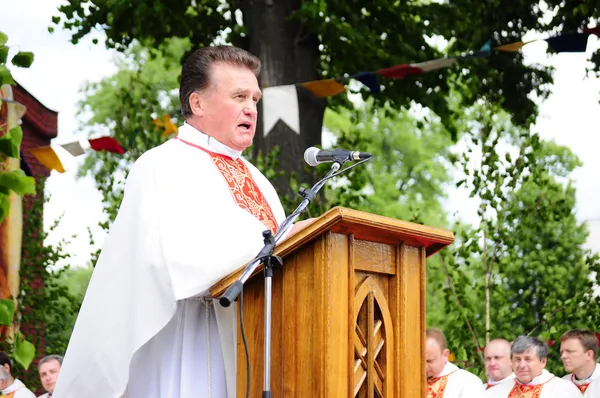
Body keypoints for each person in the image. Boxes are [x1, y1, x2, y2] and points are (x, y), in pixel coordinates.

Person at [53, 45, 311, 398]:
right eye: (238, 96)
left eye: (254, 98)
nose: (251, 107)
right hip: (187, 342)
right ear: (197, 103)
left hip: (250, 345)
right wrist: (265, 247)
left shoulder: (259, 180)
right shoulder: (162, 165)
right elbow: (170, 260)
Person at [483, 336, 581, 397]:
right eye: (517, 359)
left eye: (528, 359)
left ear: (543, 362)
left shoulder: (564, 390)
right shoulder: (495, 392)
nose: (521, 365)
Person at [425, 328, 484, 397]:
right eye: (420, 362)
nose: (425, 366)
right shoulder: (413, 380)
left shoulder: (469, 382)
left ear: (445, 355)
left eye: (429, 361)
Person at [560, 329, 600, 395]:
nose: (563, 356)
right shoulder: (563, 383)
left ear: (589, 354)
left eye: (569, 351)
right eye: (562, 352)